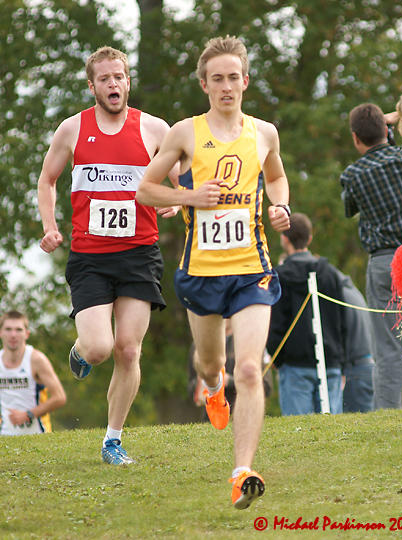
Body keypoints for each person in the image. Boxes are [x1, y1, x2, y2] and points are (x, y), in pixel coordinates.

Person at [136, 35, 290, 509]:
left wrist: (280, 205)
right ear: (205, 84)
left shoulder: (264, 132)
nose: (227, 86)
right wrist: (189, 197)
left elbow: (277, 176)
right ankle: (212, 387)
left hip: (252, 270)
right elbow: (145, 190)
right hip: (201, 272)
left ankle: (242, 471)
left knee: (250, 368)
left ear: (245, 81)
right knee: (211, 366)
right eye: (217, 79)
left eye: (233, 78)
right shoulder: (184, 133)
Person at [37, 46, 178, 464]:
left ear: (128, 81)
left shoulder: (154, 129)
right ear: (92, 86)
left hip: (139, 253)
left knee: (129, 351)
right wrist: (50, 226)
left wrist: (175, 200)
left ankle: (112, 440)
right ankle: (81, 350)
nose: (113, 84)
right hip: (91, 256)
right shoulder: (72, 129)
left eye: (119, 77)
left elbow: (181, 176)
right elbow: (47, 180)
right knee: (100, 348)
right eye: (104, 79)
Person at [340, 102, 402, 409]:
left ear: (356, 138)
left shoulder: (352, 174)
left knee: (387, 347)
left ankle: (387, 411)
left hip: (382, 263)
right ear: (387, 131)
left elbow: (349, 209)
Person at [267, 213, 346, 416]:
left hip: (294, 364)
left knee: (298, 432)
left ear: (284, 239)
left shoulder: (279, 276)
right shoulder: (330, 273)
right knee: (332, 434)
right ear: (309, 239)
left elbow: (275, 322)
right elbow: (341, 319)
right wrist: (342, 359)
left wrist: (276, 356)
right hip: (330, 362)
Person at [188, 319, 273, 417]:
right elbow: (190, 389)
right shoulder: (199, 346)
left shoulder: (251, 343)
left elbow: (267, 387)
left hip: (245, 416)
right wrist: (203, 383)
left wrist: (230, 381)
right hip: (211, 419)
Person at [0, 310, 66, 436]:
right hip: (4, 436)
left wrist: (28, 414)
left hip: (38, 434)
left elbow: (59, 397)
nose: (13, 335)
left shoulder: (36, 359)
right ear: (1, 332)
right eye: (8, 329)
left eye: (18, 330)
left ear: (27, 334)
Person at [339, 274, 375, 413]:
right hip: (367, 365)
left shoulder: (338, 295)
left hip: (354, 369)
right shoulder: (352, 291)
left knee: (357, 427)